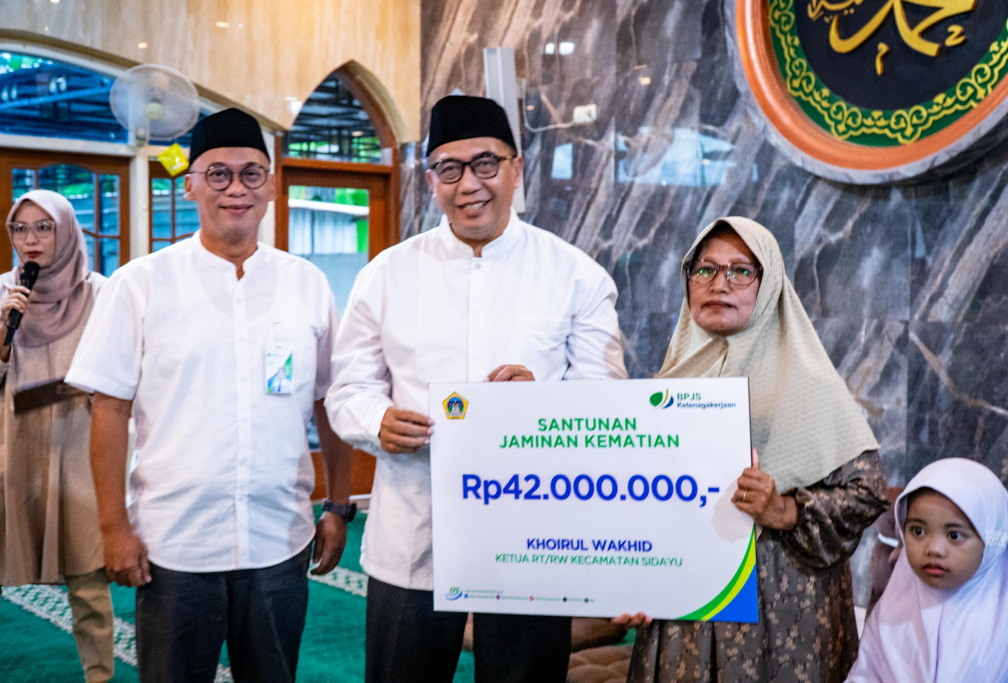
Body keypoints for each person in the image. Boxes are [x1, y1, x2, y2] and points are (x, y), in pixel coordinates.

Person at [326, 94, 628, 683]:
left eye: (486, 163)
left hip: (531, 543)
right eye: (450, 168)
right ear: (430, 178)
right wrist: (377, 421)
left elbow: (605, 404)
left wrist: (542, 406)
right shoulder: (386, 275)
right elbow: (347, 390)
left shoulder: (574, 275)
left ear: (517, 169)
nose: (469, 184)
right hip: (412, 537)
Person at [65, 108, 353, 683]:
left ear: (272, 185)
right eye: (218, 174)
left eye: (251, 173)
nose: (235, 189)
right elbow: (109, 409)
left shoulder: (306, 284)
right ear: (191, 184)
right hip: (176, 545)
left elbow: (329, 400)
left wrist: (339, 505)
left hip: (279, 539)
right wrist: (113, 527)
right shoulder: (141, 283)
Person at [615, 217, 888, 683]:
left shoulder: (811, 385)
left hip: (781, 611)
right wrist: (633, 578)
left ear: (769, 284)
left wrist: (783, 510)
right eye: (705, 269)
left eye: (741, 270)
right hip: (686, 610)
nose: (719, 283)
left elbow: (867, 492)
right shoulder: (671, 381)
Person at [0, 190, 113, 682]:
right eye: (20, 229)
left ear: (66, 230)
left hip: (78, 448)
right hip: (9, 448)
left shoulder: (100, 293)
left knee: (88, 585)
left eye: (44, 227)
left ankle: (100, 676)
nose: (30, 239)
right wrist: (2, 333)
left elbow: (120, 374)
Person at [846, 459, 1008, 683]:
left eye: (954, 535)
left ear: (992, 540)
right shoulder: (893, 607)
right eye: (918, 531)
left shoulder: (1001, 623)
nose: (933, 549)